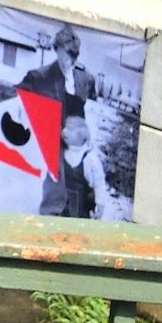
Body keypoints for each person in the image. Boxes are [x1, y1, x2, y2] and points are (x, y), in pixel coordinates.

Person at [18, 23, 97, 219]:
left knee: (80, 177)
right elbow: (18, 97)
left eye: (69, 55)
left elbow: (92, 108)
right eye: (61, 53)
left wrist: (87, 134)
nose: (64, 61)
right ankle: (50, 215)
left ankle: (78, 214)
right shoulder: (40, 76)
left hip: (77, 135)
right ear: (56, 50)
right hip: (54, 135)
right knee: (56, 177)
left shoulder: (86, 79)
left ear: (75, 55)